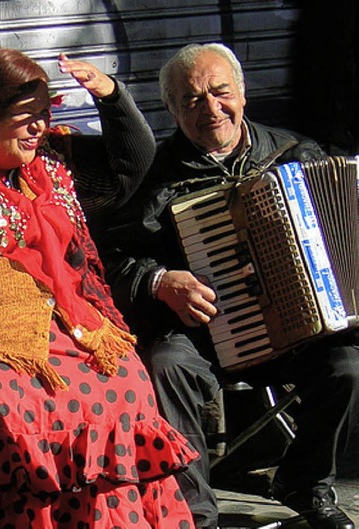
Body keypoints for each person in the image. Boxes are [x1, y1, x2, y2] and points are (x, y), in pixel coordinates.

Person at [0, 47, 198, 528]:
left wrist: (112, 96)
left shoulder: (56, 159)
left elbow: (133, 166)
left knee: (126, 382)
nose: (40, 128)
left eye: (44, 114)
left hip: (70, 316)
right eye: (25, 117)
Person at [101, 42, 359, 529]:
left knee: (347, 366)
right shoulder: (150, 177)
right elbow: (111, 259)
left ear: (242, 94)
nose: (211, 108)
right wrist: (159, 279)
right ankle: (196, 515)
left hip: (301, 330)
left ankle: (304, 481)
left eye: (220, 92)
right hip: (204, 331)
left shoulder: (297, 154)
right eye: (192, 100)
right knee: (167, 364)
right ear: (173, 109)